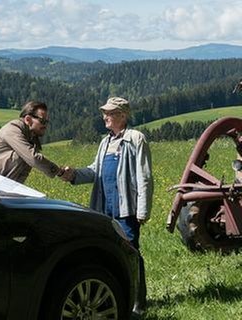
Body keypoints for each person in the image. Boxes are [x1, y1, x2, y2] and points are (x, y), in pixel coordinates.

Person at [62, 96, 153, 314]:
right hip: (104, 209)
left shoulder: (135, 139)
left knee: (131, 253)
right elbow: (95, 170)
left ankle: (137, 305)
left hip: (126, 208)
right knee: (106, 253)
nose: (105, 117)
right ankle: (114, 297)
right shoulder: (105, 142)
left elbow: (145, 176)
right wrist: (74, 174)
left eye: (110, 113)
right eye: (105, 113)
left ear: (122, 115)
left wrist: (143, 210)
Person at [0, 100, 65, 183]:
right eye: (42, 121)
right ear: (28, 119)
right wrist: (59, 172)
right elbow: (33, 158)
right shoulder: (12, 129)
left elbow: (23, 172)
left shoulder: (31, 139)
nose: (45, 125)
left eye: (46, 122)